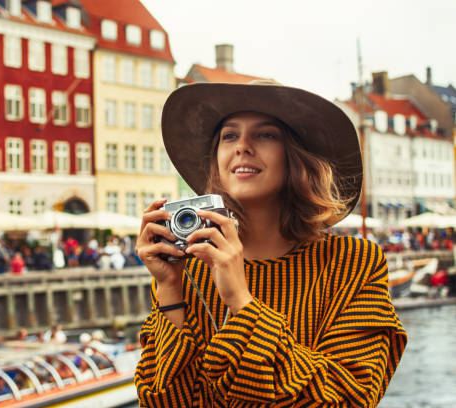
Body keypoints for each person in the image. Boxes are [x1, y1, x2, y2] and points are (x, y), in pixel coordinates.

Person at [134, 80, 407, 407]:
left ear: (297, 156)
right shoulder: (189, 267)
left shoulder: (352, 262)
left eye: (265, 135)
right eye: (229, 135)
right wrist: (168, 289)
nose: (242, 146)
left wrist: (241, 301)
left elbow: (348, 397)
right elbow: (164, 402)